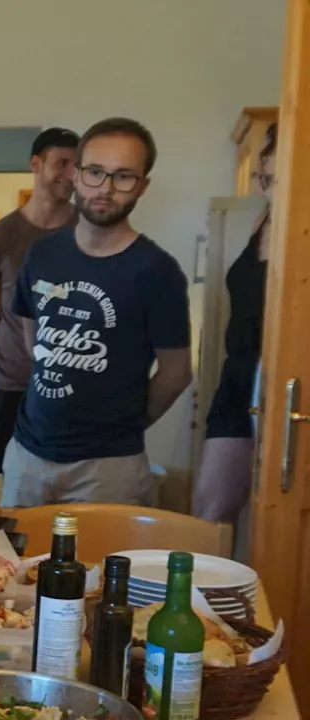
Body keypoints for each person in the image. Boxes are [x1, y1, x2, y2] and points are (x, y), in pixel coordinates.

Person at [3, 118, 193, 507]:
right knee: (11, 564)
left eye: (123, 176)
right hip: (28, 455)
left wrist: (124, 424)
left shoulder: (156, 271)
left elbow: (176, 373)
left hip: (108, 468)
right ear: (76, 174)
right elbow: (30, 330)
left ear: (142, 185)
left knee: (101, 570)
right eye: (95, 172)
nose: (105, 188)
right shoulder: (43, 254)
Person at [0, 128, 81, 475]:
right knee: (8, 482)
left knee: (67, 479)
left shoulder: (90, 230)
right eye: (62, 163)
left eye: (77, 166)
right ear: (36, 164)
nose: (71, 174)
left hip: (74, 382)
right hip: (12, 381)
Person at [193, 122, 278, 522]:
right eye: (265, 177)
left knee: (279, 514)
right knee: (211, 512)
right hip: (237, 381)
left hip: (283, 387)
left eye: (278, 180)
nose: (267, 190)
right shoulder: (260, 219)